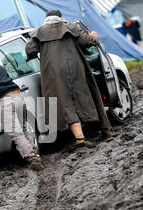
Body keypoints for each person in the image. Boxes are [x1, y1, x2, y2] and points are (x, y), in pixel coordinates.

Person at [25, 10, 112, 145]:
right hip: (76, 68)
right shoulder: (71, 26)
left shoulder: (38, 32)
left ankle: (79, 137)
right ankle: (105, 128)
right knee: (89, 94)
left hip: (53, 74)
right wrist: (94, 36)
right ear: (60, 17)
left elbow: (30, 50)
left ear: (46, 19)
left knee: (65, 103)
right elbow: (87, 41)